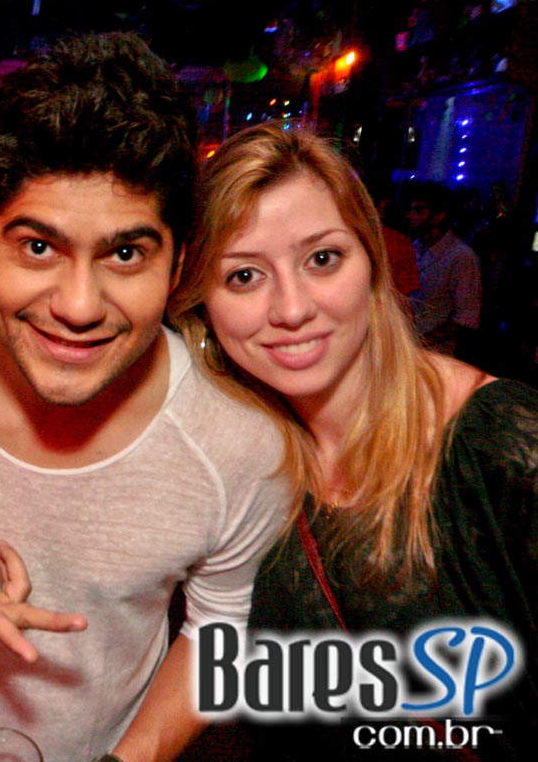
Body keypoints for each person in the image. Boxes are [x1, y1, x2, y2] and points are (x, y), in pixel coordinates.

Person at [0, 32, 288, 762]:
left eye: (126, 253)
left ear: (178, 264)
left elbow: (217, 632)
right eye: (38, 247)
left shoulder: (238, 442)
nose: (79, 306)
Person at [168, 122, 537, 760]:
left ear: (372, 262)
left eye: (322, 259)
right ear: (204, 306)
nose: (291, 309)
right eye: (244, 276)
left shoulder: (501, 444)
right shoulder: (240, 463)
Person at [404, 181, 482, 356]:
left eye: (418, 211)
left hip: (432, 356)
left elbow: (466, 318)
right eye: (411, 210)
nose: (410, 216)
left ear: (438, 216)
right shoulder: (413, 247)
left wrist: (419, 342)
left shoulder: (461, 257)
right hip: (405, 350)